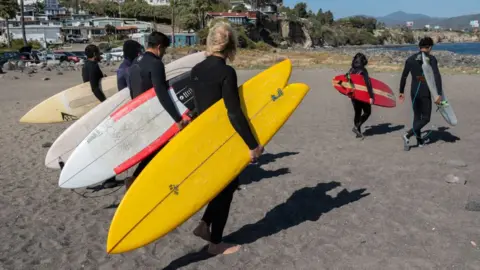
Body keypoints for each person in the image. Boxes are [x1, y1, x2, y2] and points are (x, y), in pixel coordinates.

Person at [189, 21, 264, 255]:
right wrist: (253, 145)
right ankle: (216, 243)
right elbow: (233, 112)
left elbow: (196, 107)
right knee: (228, 186)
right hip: (223, 139)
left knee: (226, 186)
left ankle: (205, 224)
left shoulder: (196, 70)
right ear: (231, 46)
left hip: (202, 138)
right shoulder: (226, 72)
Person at [125, 31, 190, 190]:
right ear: (159, 47)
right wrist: (177, 118)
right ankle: (135, 180)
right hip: (152, 114)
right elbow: (161, 92)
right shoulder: (155, 64)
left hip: (138, 112)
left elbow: (132, 90)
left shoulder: (135, 62)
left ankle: (140, 180)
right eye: (165, 50)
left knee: (152, 150)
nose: (164, 54)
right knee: (158, 149)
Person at [82, 44, 117, 188]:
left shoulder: (85, 66)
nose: (100, 55)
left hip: (92, 106)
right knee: (107, 143)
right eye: (98, 53)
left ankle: (109, 177)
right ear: (95, 54)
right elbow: (94, 87)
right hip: (99, 107)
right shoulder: (93, 66)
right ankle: (109, 178)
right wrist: (105, 102)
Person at [399, 37, 443, 150]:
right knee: (426, 118)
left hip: (413, 90)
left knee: (417, 117)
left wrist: (401, 91)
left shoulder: (410, 59)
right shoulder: (431, 59)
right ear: (430, 47)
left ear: (419, 47)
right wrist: (438, 94)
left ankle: (419, 141)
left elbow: (404, 76)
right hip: (425, 91)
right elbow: (436, 76)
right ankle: (407, 135)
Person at [348, 53, 374, 138]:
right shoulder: (363, 70)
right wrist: (371, 97)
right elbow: (368, 84)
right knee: (367, 112)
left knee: (357, 112)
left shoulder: (351, 70)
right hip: (362, 95)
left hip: (353, 95)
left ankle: (358, 133)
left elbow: (346, 80)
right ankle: (356, 127)